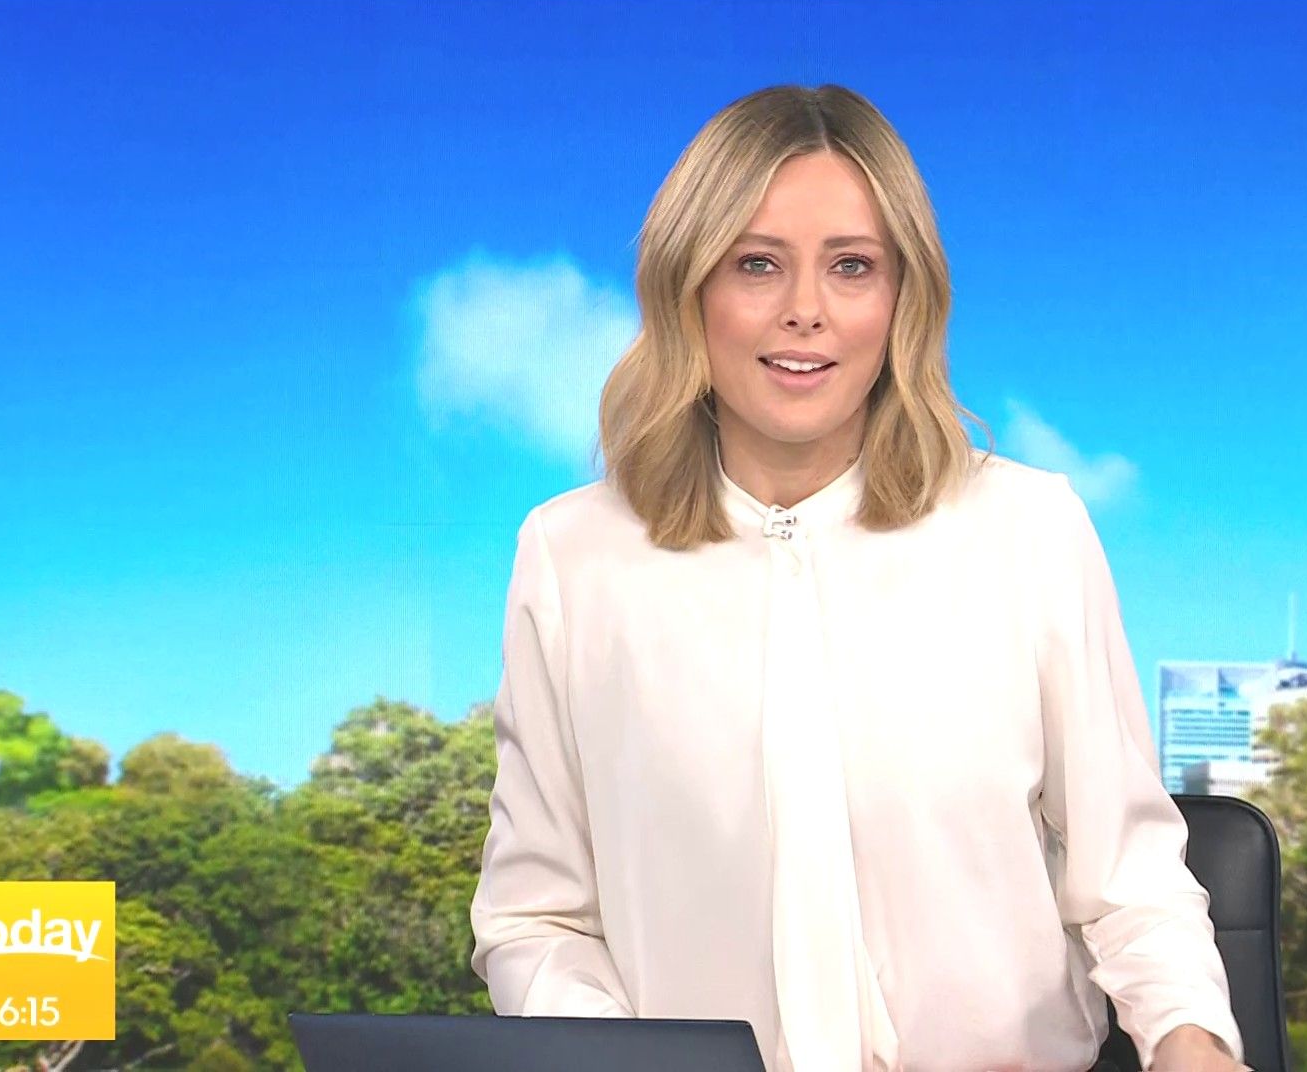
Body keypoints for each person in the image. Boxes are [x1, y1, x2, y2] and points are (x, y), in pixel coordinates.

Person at [469, 83, 1251, 1072]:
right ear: (687, 289)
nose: (806, 311)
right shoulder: (573, 558)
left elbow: (1130, 884)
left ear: (901, 298)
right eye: (757, 264)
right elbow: (536, 920)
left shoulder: (1029, 530)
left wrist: (1190, 1041)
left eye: (851, 266)